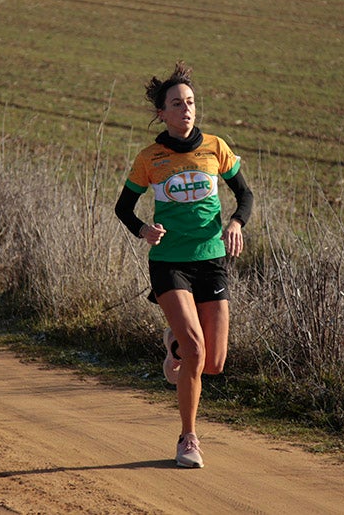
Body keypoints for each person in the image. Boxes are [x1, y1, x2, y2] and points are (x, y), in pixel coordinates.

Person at [115, 61, 253, 468]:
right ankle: (188, 439)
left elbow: (245, 195)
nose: (186, 109)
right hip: (168, 262)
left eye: (190, 102)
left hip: (211, 260)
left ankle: (171, 343)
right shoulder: (151, 158)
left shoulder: (216, 147)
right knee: (195, 350)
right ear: (162, 113)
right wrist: (143, 231)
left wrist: (235, 222)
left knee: (213, 363)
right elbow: (124, 207)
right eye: (177, 104)